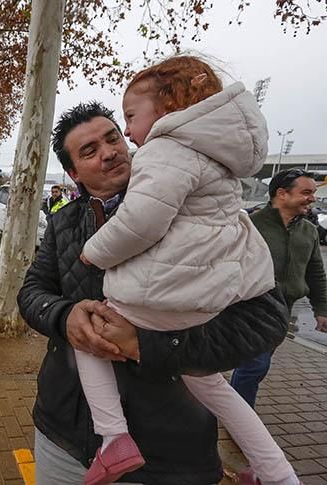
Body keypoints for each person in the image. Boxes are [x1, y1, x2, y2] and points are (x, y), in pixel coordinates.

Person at [18, 99, 290, 485]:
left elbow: (266, 321)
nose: (110, 152)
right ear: (72, 172)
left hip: (169, 452)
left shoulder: (199, 213)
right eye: (90, 151)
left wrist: (151, 345)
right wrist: (64, 316)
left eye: (113, 138)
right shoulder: (62, 223)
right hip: (62, 434)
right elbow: (31, 292)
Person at [231, 169, 327, 407]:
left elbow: (316, 272)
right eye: (306, 192)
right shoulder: (250, 226)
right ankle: (240, 417)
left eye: (313, 193)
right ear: (282, 194)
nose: (312, 198)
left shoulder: (309, 231)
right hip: (251, 309)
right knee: (255, 365)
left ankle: (232, 404)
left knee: (255, 366)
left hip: (285, 310)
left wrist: (322, 309)